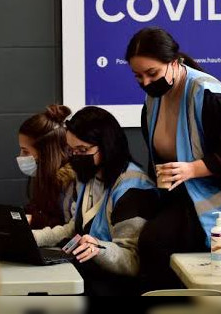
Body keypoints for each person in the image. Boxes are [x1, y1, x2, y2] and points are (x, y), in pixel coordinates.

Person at [126, 27, 221, 291]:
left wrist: (191, 169)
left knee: (155, 242)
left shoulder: (208, 92)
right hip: (189, 196)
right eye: (138, 76)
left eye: (152, 73)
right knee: (151, 240)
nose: (146, 83)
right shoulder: (153, 99)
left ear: (174, 62)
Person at [31, 106, 159, 295]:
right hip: (88, 276)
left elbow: (132, 260)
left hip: (114, 288)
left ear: (106, 145)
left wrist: (99, 249)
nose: (75, 157)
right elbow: (74, 229)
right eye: (71, 150)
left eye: (82, 150)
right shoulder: (89, 176)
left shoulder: (133, 189)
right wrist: (33, 238)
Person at [17, 104, 77, 229]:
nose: (20, 156)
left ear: (46, 153)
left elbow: (69, 228)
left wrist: (35, 221)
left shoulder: (73, 186)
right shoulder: (44, 177)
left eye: (26, 151)